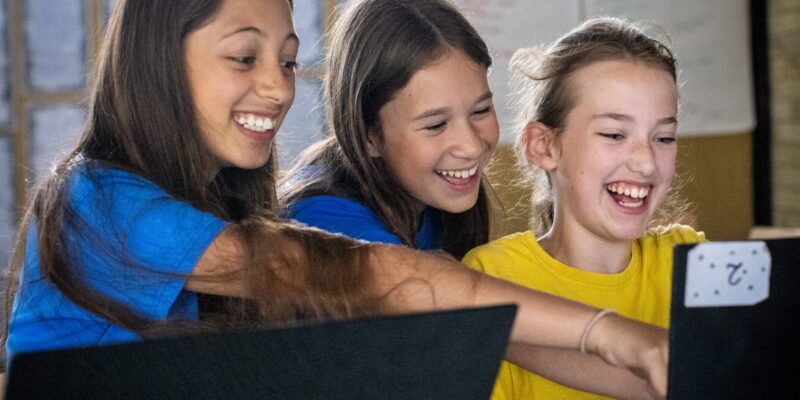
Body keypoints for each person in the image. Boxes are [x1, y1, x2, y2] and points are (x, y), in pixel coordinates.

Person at [3, 1, 668, 396]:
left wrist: (658, 364)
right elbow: (399, 282)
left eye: (288, 61)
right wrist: (611, 332)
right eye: (243, 58)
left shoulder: (220, 205)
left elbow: (484, 338)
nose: (277, 87)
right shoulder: (99, 204)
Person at [462, 17, 706, 400]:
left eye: (664, 137)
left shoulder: (690, 261)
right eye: (613, 134)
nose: (646, 162)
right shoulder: (492, 275)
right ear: (544, 146)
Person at [279, 0, 497, 260]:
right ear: (368, 135)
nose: (471, 146)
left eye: (480, 110)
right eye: (436, 125)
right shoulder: (322, 218)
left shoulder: (430, 199)